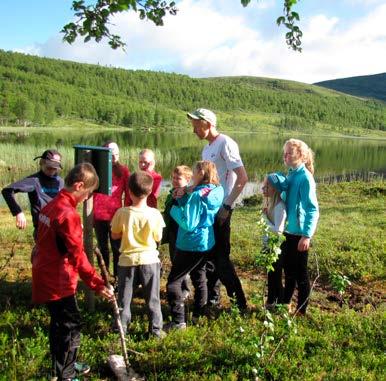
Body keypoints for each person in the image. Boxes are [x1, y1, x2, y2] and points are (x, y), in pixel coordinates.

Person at [32, 163, 113, 381]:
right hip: (57, 280)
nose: (87, 198)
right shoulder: (68, 215)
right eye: (87, 193)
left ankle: (62, 365)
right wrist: (97, 284)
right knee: (70, 325)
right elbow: (78, 257)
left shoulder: (51, 205)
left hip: (45, 272)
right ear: (78, 186)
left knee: (59, 323)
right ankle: (65, 374)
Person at [187, 108, 248, 311]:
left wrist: (227, 206)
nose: (194, 129)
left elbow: (242, 177)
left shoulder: (226, 143)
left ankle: (240, 304)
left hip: (221, 212)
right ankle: (212, 300)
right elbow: (207, 181)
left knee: (221, 260)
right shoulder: (207, 149)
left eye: (196, 125)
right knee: (209, 257)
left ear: (208, 123)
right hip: (209, 212)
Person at [166, 161, 224, 330]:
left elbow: (189, 223)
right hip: (206, 241)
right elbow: (199, 211)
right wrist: (184, 196)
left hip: (190, 242)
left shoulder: (196, 194)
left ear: (201, 174)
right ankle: (199, 314)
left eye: (196, 172)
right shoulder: (216, 190)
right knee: (199, 277)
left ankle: (178, 321)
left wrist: (174, 209)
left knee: (173, 282)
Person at [111, 171, 165, 338]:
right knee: (153, 299)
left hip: (127, 261)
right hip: (149, 260)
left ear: (129, 191)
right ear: (149, 192)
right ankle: (156, 331)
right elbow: (158, 237)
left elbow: (114, 234)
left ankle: (121, 330)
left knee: (124, 299)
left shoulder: (122, 212)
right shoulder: (155, 214)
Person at [282, 138, 319, 315]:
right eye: (284, 153)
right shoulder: (291, 174)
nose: (285, 156)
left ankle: (302, 311)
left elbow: (312, 209)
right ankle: (285, 304)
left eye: (289, 153)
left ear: (301, 156)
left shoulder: (305, 178)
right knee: (288, 271)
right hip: (288, 231)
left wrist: (307, 235)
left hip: (299, 234)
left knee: (301, 275)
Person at [1, 149, 64, 240]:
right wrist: (18, 212)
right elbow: (7, 191)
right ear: (41, 162)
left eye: (54, 168)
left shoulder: (60, 182)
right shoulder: (34, 180)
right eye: (49, 167)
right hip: (42, 231)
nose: (52, 170)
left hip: (59, 229)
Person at [93, 141, 130, 278]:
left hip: (116, 215)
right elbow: (89, 194)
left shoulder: (124, 171)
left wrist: (125, 214)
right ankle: (105, 276)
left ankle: (118, 277)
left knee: (117, 248)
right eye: (110, 154)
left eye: (116, 154)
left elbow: (128, 194)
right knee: (102, 247)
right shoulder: (96, 170)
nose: (114, 157)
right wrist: (90, 216)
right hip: (98, 216)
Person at [162, 165, 193, 299]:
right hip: (172, 232)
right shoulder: (171, 193)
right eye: (173, 177)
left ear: (187, 180)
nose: (175, 180)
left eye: (178, 178)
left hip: (182, 234)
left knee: (183, 263)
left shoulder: (188, 196)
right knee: (174, 259)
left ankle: (185, 289)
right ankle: (179, 287)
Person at [261, 173, 287, 309]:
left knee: (275, 276)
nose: (262, 188)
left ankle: (276, 302)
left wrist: (264, 219)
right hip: (269, 246)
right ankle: (272, 301)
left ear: (275, 189)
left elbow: (278, 231)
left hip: (275, 248)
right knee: (271, 275)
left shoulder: (279, 207)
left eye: (266, 186)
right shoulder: (271, 204)